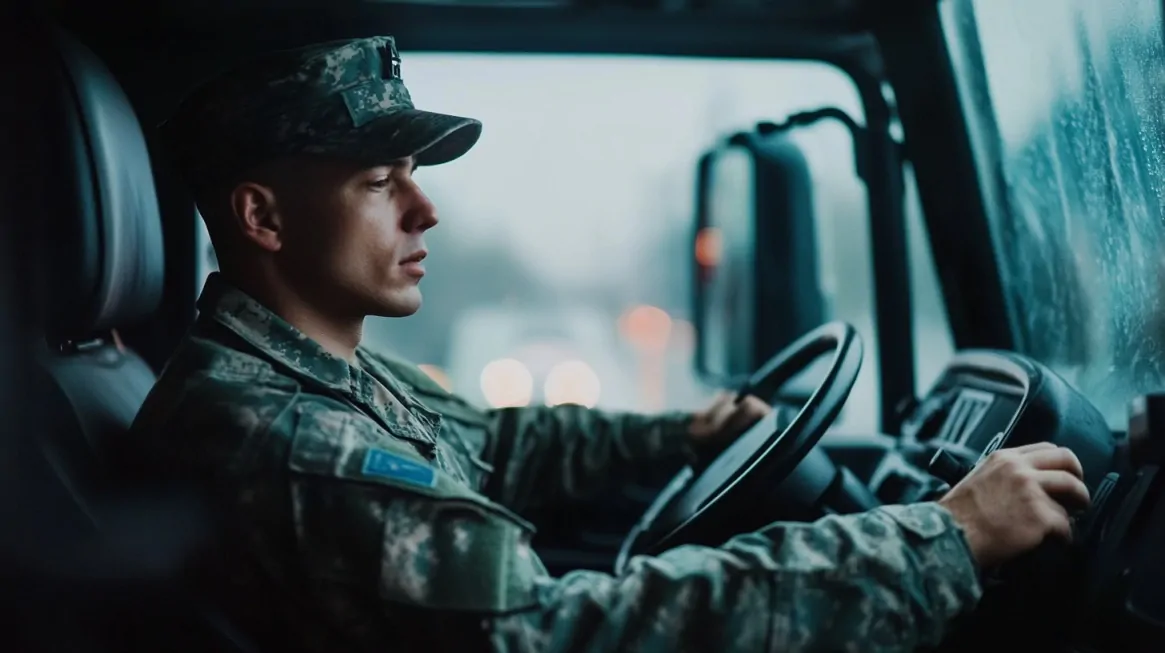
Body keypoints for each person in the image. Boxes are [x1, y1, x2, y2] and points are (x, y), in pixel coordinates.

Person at [125, 36, 1092, 652]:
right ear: (262, 216)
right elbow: (557, 634)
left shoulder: (318, 373)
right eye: (382, 181)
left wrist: (685, 432)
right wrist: (940, 538)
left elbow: (496, 447)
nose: (426, 210)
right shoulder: (284, 436)